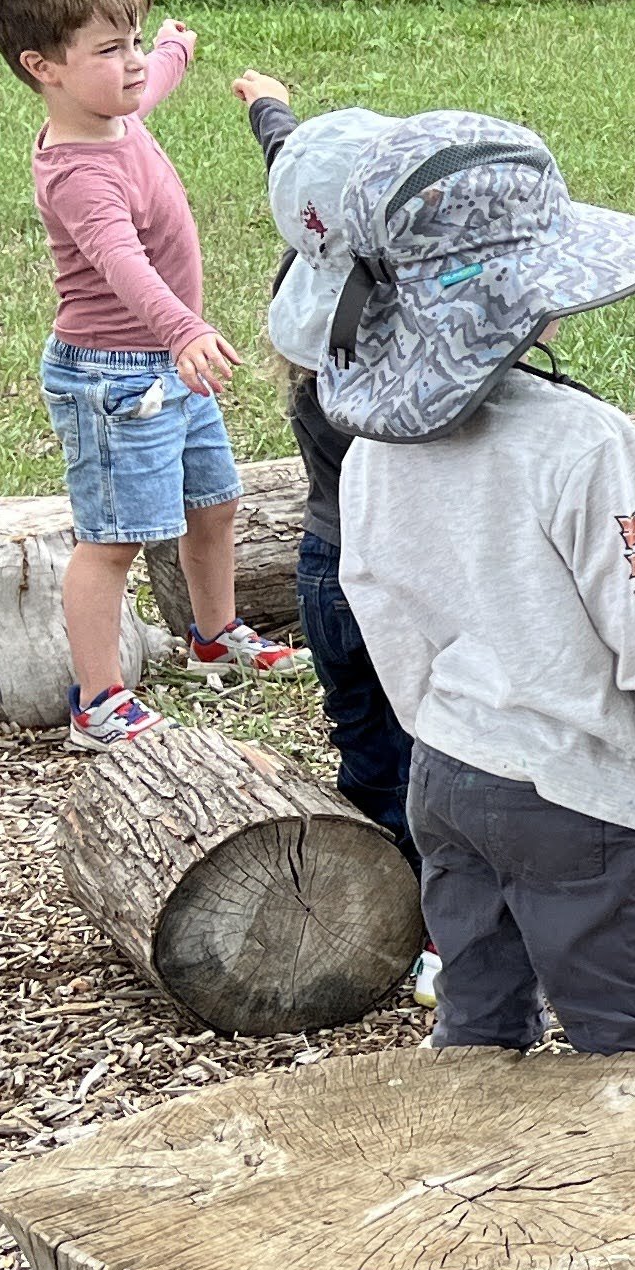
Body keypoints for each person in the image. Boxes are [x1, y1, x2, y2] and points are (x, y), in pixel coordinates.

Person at [299, 115, 635, 1057]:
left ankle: (466, 1195)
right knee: (624, 1034)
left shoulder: (379, 444)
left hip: (448, 778)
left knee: (477, 1022)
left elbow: (377, 597)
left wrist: (442, 725)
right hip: (582, 795)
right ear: (534, 299)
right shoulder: (586, 444)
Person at [0, 0, 302, 752]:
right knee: (114, 540)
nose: (130, 64)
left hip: (168, 368)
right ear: (42, 66)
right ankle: (98, 701)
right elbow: (122, 266)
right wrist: (186, 328)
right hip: (116, 378)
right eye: (109, 48)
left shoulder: (114, 108)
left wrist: (171, 50)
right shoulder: (78, 173)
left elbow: (148, 83)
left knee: (215, 501)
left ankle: (213, 634)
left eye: (130, 41)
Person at [232, 72, 415, 858]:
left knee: (371, 756)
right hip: (411, 575)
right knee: (439, 751)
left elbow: (291, 159)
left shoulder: (309, 262)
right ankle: (452, 921)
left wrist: (266, 107)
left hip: (328, 564)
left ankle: (399, 897)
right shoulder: (418, 330)